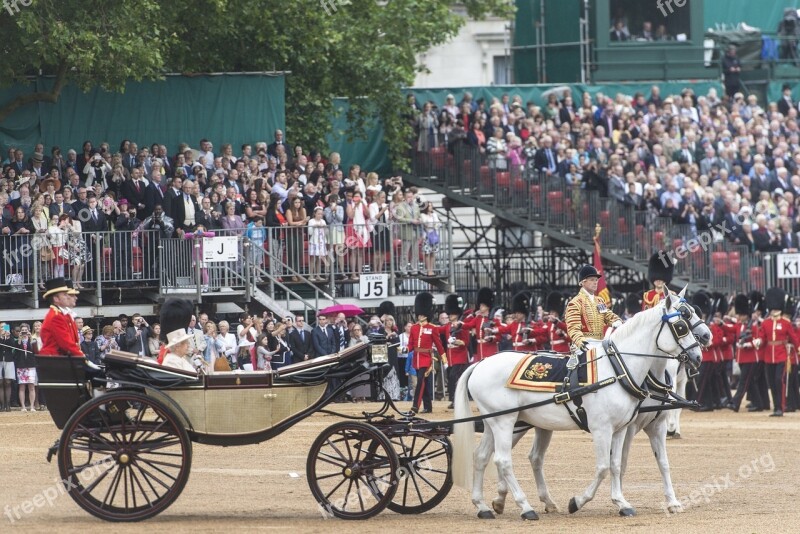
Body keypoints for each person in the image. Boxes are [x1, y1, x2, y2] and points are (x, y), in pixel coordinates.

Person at [565, 264, 623, 369]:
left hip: (600, 343)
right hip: (584, 345)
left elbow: (607, 315)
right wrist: (582, 342)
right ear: (582, 282)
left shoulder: (599, 300)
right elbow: (573, 328)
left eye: (596, 279)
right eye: (592, 279)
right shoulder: (575, 302)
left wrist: (617, 321)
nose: (595, 282)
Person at [760, 288, 800, 417]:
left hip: (782, 356)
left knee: (779, 380)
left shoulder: (785, 323)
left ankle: (780, 407)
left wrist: (798, 349)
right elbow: (763, 338)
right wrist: (757, 342)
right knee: (771, 383)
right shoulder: (766, 323)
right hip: (768, 357)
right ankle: (776, 407)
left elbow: (794, 338)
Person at [407, 292, 446, 414]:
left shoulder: (432, 328)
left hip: (427, 359)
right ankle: (428, 407)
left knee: (420, 382)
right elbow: (411, 344)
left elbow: (439, 344)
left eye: (422, 314)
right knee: (424, 384)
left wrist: (444, 358)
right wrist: (405, 349)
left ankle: (415, 406)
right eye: (419, 314)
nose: (420, 316)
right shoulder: (414, 327)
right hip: (417, 359)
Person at [731, 294, 767, 412]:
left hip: (751, 358)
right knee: (750, 382)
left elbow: (759, 340)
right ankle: (759, 404)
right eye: (739, 314)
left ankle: (735, 403)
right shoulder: (740, 325)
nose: (739, 317)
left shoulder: (754, 326)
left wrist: (748, 345)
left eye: (741, 315)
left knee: (743, 382)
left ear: (746, 314)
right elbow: (730, 330)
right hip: (741, 358)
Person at [38, 277, 83, 359]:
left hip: (61, 359)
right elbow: (66, 344)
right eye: (65, 295)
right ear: (56, 299)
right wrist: (82, 358)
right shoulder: (56, 316)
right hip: (55, 361)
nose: (68, 297)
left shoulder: (61, 314)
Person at [442, 294, 470, 409]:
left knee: (455, 378)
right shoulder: (448, 326)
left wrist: (455, 341)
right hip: (451, 358)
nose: (449, 316)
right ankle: (454, 400)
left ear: (457, 314)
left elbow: (465, 342)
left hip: (460, 357)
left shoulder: (461, 326)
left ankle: (457, 400)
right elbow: (437, 329)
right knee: (451, 378)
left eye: (451, 314)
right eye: (449, 314)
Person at [460, 287, 500, 360]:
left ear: (487, 307)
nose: (480, 307)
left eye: (482, 305)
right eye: (480, 305)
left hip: (490, 349)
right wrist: (460, 324)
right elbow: (467, 325)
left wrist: (491, 339)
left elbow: (498, 337)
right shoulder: (477, 319)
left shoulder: (495, 320)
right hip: (480, 349)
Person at [0, 322, 15, 411]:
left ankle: (8, 404)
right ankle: (2, 405)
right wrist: (1, 337)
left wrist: (8, 337)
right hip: (0, 361)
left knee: (8, 382)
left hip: (9, 361)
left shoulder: (10, 337)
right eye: (1, 327)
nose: (3, 329)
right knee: (0, 382)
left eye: (4, 327)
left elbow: (12, 346)